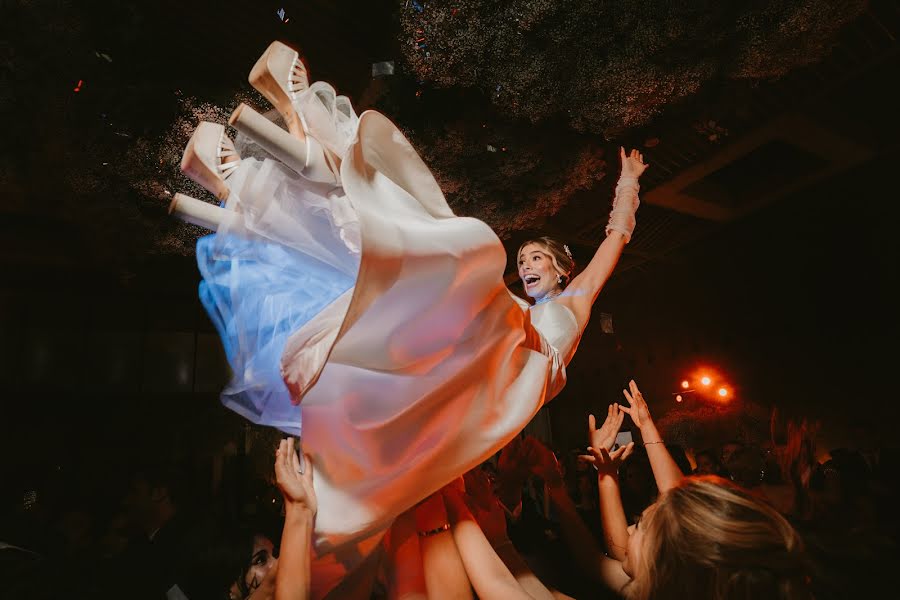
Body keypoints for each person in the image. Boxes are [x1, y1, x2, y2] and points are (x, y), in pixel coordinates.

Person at [170, 40, 645, 595]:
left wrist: (629, 184)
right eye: (523, 259)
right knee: (396, 264)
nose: (526, 264)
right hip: (482, 376)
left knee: (410, 262)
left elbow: (613, 241)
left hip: (496, 381)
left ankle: (241, 181)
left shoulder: (576, 301)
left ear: (564, 269)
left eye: (536, 259)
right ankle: (256, 159)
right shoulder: (496, 310)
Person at [581, 381, 813, 599]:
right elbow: (682, 511)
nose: (630, 530)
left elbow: (613, 552)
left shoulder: (660, 587)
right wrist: (608, 469)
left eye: (642, 525)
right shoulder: (672, 582)